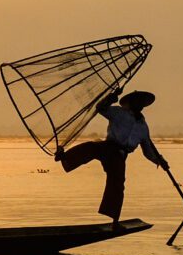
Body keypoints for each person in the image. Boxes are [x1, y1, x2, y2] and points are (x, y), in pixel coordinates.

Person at [55, 90, 169, 223]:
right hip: (108, 146)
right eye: (136, 101)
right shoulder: (119, 113)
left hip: (120, 155)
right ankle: (65, 158)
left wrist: (160, 161)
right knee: (90, 148)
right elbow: (101, 108)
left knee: (117, 183)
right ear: (131, 103)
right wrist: (110, 98)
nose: (139, 104)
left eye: (141, 102)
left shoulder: (143, 127)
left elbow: (148, 150)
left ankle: (114, 219)